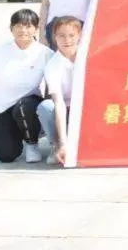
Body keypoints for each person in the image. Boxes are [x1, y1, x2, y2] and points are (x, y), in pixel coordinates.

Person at [0, 9, 52, 163]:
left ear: (36, 29)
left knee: (25, 108)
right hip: (0, 107)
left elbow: (52, 83)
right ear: (11, 28)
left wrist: (48, 112)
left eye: (28, 26)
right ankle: (4, 138)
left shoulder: (45, 53)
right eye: (18, 26)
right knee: (6, 155)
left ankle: (32, 143)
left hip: (28, 104)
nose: (23, 30)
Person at [36, 15, 82, 165]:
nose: (67, 40)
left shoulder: (88, 56)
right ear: (54, 37)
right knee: (46, 107)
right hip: (65, 109)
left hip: (85, 108)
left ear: (79, 35)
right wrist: (62, 142)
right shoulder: (52, 66)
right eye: (61, 36)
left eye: (71, 35)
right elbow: (59, 103)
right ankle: (55, 145)